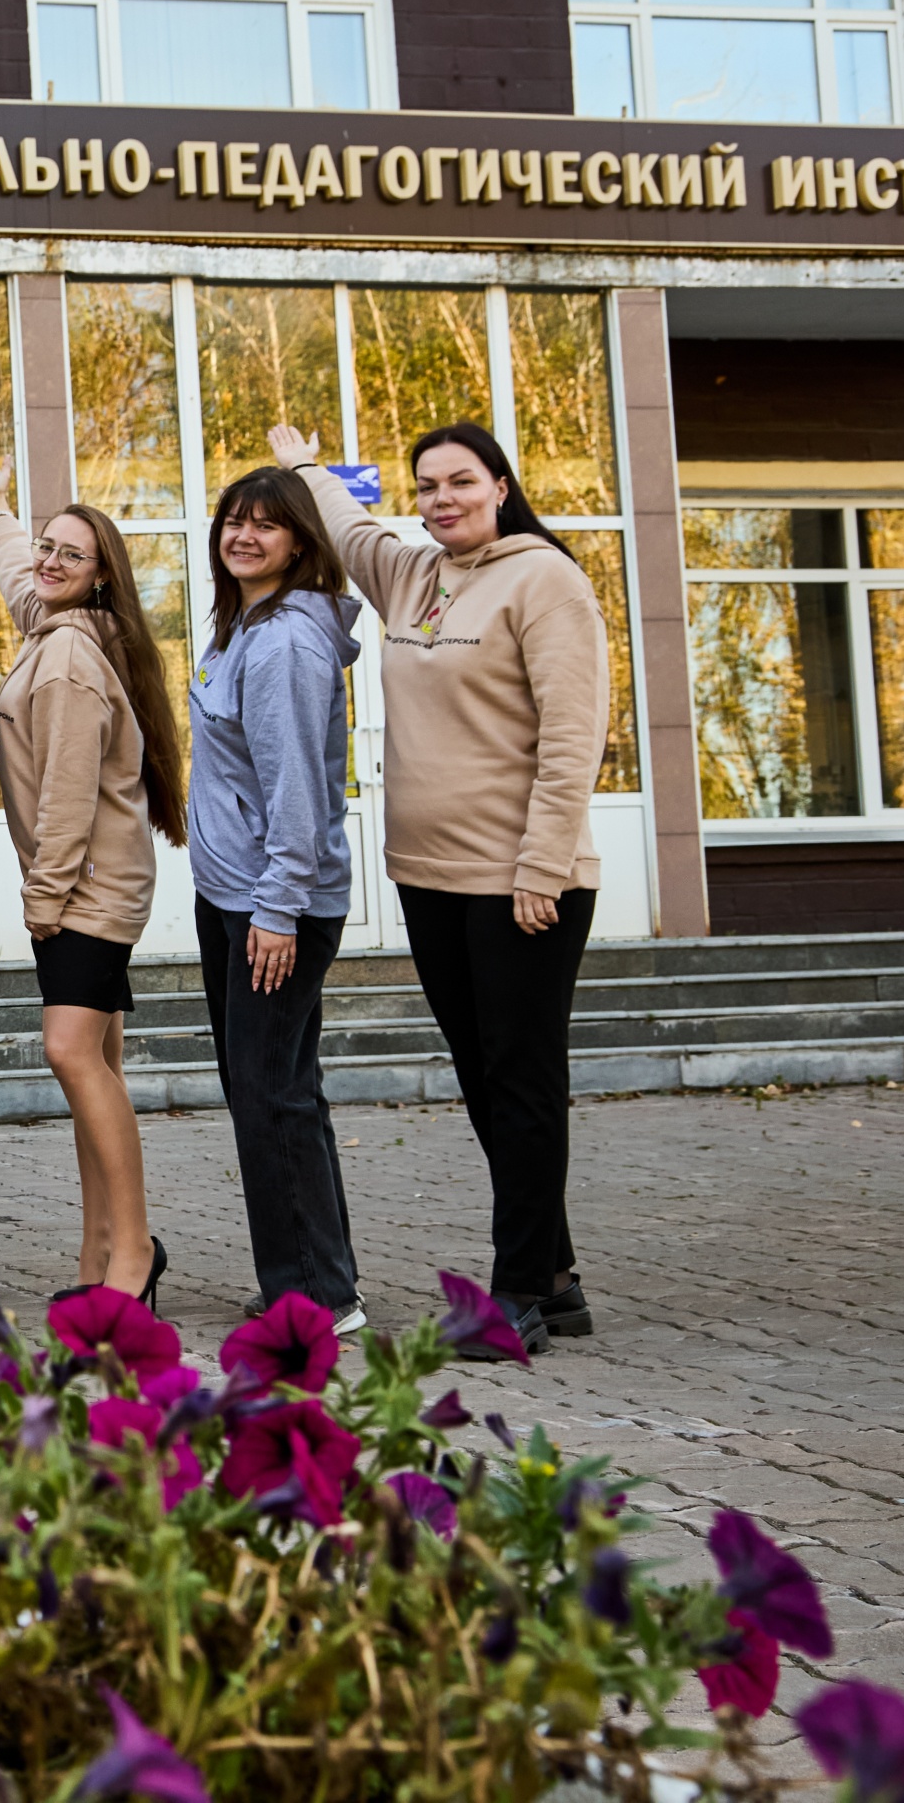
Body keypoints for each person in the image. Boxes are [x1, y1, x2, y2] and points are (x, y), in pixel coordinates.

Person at [273, 420, 610, 1361]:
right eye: (426, 486)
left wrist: (543, 865)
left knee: (523, 1079)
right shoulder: (413, 575)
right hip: (430, 875)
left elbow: (573, 734)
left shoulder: (546, 580)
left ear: (500, 485)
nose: (442, 499)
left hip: (521, 882)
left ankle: (516, 1294)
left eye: (460, 481)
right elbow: (348, 528)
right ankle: (555, 1274)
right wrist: (304, 465)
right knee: (482, 1077)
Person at [0, 449, 188, 1307]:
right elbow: (22, 584)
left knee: (70, 1054)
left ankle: (133, 1252)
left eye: (71, 554)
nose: (50, 562)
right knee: (97, 1064)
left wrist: (43, 898)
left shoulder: (64, 659)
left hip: (87, 890)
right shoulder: (66, 629)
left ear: (102, 576)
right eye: (47, 547)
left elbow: (66, 792)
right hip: (96, 883)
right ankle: (99, 1252)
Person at [190, 466, 367, 1336]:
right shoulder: (243, 626)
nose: (245, 535)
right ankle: (314, 1279)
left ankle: (318, 1299)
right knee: (276, 1089)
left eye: (266, 523)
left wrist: (277, 907)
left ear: (300, 541)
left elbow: (296, 784)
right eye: (234, 520)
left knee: (270, 1097)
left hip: (272, 905)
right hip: (238, 893)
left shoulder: (287, 643)